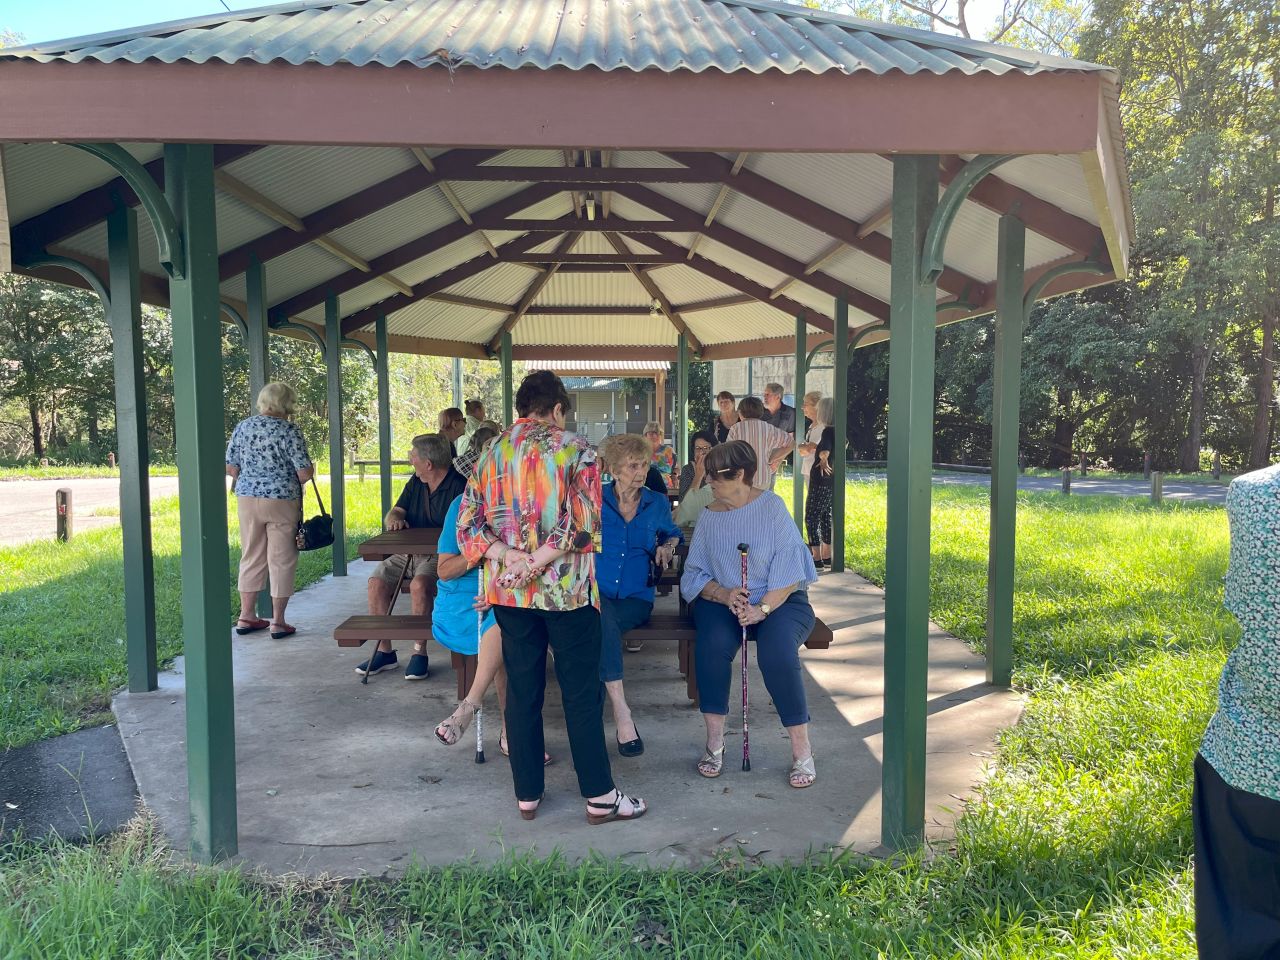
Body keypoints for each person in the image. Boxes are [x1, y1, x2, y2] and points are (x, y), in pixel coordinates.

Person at [457, 370, 647, 824]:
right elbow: (582, 523)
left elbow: (468, 524)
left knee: (522, 690)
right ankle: (600, 796)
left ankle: (527, 794)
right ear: (558, 408)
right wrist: (537, 560)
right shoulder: (576, 449)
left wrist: (510, 557)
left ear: (523, 408)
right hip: (567, 594)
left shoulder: (490, 451)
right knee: (581, 694)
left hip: (511, 596)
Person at [680, 440, 819, 789]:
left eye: (716, 477)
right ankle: (714, 743)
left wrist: (763, 609)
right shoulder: (710, 516)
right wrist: (724, 593)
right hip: (727, 602)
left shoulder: (772, 508)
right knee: (710, 646)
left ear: (740, 474)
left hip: (781, 600)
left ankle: (802, 749)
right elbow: (693, 573)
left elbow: (791, 568)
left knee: (777, 652)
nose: (709, 482)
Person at [1192, 460, 1280, 959]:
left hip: (1249, 761)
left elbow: (1245, 602)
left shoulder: (1252, 494)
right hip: (1248, 763)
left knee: (1242, 940)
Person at [432, 437, 553, 766]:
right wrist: (479, 552)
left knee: (507, 621)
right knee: (506, 628)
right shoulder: (461, 506)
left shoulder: (524, 508)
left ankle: (470, 706)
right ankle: (512, 732)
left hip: (509, 594)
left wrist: (499, 587)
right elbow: (444, 570)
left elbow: (534, 562)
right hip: (464, 602)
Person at [355, 433, 466, 680]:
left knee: (420, 585)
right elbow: (396, 511)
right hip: (406, 553)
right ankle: (385, 653)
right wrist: (393, 520)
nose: (410, 461)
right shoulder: (415, 482)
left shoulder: (461, 486)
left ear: (428, 463)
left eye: (413, 456)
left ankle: (419, 653)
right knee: (376, 583)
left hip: (439, 555)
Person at [596, 434, 683, 735]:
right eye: (633, 465)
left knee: (599, 625)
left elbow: (673, 533)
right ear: (614, 469)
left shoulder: (656, 502)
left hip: (636, 597)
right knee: (600, 616)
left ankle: (606, 713)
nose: (641, 471)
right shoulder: (595, 499)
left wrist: (668, 547)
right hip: (597, 590)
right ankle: (621, 711)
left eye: (644, 464)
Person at [225, 382, 314, 640]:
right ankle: (278, 621)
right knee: (282, 558)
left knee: (251, 554)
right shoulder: (289, 431)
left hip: (248, 498)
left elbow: (231, 468)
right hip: (282, 500)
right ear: (288, 405)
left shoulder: (243, 427)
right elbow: (304, 473)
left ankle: (246, 616)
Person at [727, 396, 792, 491]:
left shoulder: (735, 429)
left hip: (742, 479)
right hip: (763, 477)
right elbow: (791, 443)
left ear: (740, 412)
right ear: (761, 412)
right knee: (761, 504)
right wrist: (775, 458)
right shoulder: (768, 428)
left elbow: (728, 453)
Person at [803, 398, 836, 566]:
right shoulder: (838, 430)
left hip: (819, 479)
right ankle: (827, 555)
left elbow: (825, 449)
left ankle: (816, 557)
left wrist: (823, 458)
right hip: (829, 481)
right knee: (824, 515)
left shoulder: (828, 431)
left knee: (810, 516)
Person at [677, 431, 715, 498]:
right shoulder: (688, 470)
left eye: (705, 448)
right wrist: (698, 476)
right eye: (697, 448)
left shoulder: (720, 469)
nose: (701, 452)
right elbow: (684, 503)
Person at [795, 391, 824, 480]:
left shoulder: (823, 426)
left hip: (819, 473)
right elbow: (803, 450)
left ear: (817, 406)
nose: (802, 407)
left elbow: (808, 448)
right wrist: (804, 447)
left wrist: (805, 446)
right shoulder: (812, 425)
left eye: (806, 404)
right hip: (809, 471)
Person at [643, 422, 677, 491]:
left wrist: (675, 477)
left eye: (657, 433)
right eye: (651, 433)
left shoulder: (669, 450)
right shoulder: (641, 452)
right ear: (645, 435)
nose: (654, 436)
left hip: (666, 488)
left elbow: (675, 468)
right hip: (646, 488)